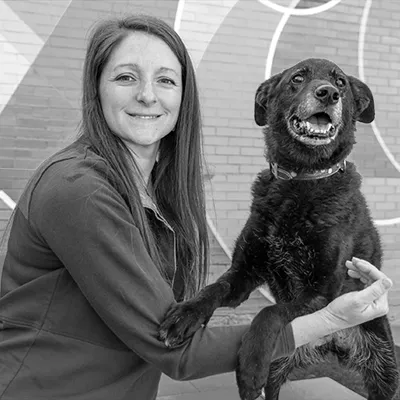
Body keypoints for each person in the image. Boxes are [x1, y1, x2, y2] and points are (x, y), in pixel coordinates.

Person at [0, 14, 393, 400]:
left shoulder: (156, 186)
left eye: (166, 80)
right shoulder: (78, 191)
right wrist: (331, 319)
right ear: (95, 89)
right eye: (125, 77)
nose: (147, 95)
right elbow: (180, 353)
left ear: (183, 97)